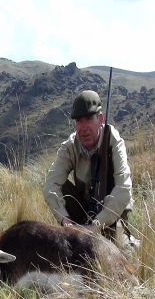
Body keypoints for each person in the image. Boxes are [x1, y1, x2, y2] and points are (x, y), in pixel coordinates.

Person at [43, 90, 135, 259]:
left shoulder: (114, 142)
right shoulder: (70, 146)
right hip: (84, 208)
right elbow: (50, 186)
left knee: (124, 256)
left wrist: (96, 226)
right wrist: (66, 223)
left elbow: (124, 188)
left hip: (113, 214)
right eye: (79, 121)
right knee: (60, 185)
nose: (84, 127)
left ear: (100, 119)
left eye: (89, 119)